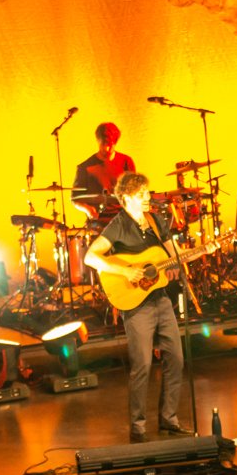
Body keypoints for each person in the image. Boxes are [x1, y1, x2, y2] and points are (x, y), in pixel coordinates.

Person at [83, 172, 189, 442]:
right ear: (127, 198)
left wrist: (197, 252)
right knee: (142, 365)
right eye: (141, 194)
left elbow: (173, 253)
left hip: (160, 298)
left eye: (147, 193)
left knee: (176, 358)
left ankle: (169, 419)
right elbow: (90, 257)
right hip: (135, 304)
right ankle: (138, 427)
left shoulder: (155, 221)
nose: (147, 198)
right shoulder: (118, 225)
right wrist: (125, 271)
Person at [72, 121, 136, 207]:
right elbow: (75, 198)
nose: (106, 149)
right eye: (103, 144)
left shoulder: (126, 162)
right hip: (98, 214)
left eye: (110, 145)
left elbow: (134, 192)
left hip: (122, 212)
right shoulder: (84, 167)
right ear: (98, 141)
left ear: (115, 143)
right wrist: (89, 211)